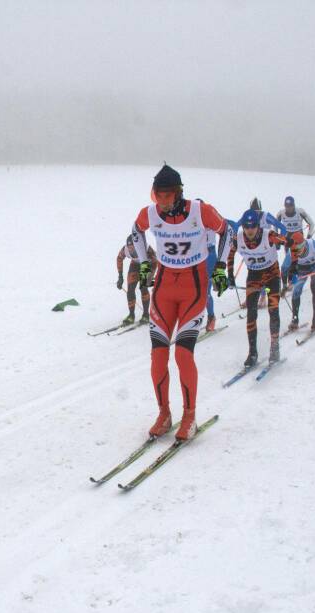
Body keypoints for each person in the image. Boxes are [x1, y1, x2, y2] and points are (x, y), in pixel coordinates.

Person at [131, 164, 228, 440]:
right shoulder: (149, 214)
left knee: (183, 354)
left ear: (178, 193)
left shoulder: (200, 210)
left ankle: (189, 415)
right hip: (164, 288)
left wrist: (221, 266)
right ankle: (164, 413)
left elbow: (228, 231)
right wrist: (144, 264)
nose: (161, 202)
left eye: (166, 196)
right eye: (157, 196)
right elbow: (135, 231)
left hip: (193, 288)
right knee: (158, 355)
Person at [224, 208, 289, 368]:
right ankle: (252, 352)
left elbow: (286, 240)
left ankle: (274, 348)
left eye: (253, 226)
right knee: (251, 313)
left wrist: (289, 243)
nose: (250, 230)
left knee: (273, 309)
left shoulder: (268, 235)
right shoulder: (237, 239)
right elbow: (230, 255)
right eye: (246, 226)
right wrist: (230, 276)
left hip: (272, 275)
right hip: (254, 277)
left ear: (258, 226)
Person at [286, 238, 315, 331]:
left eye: (300, 249)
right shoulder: (291, 253)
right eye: (296, 250)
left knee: (314, 287)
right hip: (302, 269)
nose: (298, 252)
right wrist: (287, 284)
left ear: (304, 244)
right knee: (296, 291)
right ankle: (295, 320)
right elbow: (285, 269)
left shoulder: (312, 244)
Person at [277, 195, 315, 292]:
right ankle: (290, 281)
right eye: (287, 206)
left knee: (297, 260)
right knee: (289, 260)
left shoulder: (300, 212)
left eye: (290, 206)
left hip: (299, 239)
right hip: (287, 239)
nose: (288, 208)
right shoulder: (280, 214)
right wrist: (278, 240)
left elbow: (311, 223)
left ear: (294, 206)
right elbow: (275, 226)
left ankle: (293, 281)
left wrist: (309, 236)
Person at [115, 236, 156, 325]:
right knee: (130, 289)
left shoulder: (146, 248)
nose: (131, 250)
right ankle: (131, 315)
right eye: (130, 248)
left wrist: (151, 275)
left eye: (133, 248)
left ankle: (145, 314)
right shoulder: (125, 249)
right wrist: (120, 276)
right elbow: (119, 258)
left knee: (143, 287)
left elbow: (155, 261)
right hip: (135, 264)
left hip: (146, 264)